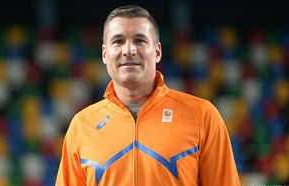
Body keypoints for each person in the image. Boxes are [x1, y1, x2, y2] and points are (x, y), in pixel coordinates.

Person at [56, 5, 240, 186]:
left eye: (140, 40)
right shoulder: (81, 126)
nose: (129, 50)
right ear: (105, 54)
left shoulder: (202, 116)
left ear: (157, 51)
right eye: (118, 41)